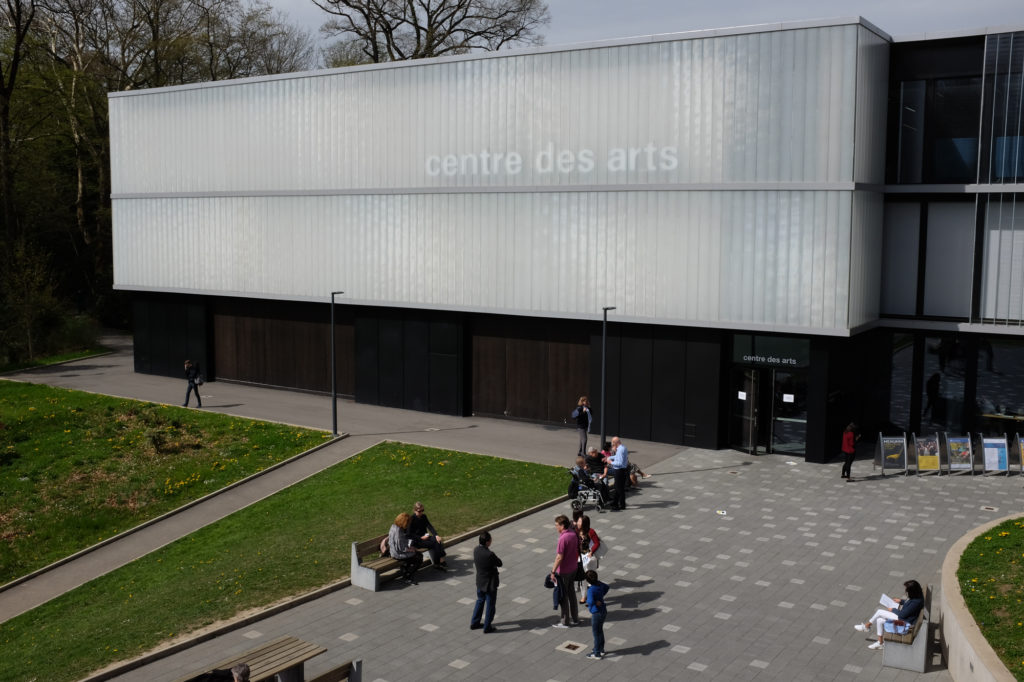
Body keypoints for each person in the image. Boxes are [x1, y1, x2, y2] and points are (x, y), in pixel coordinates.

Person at [854, 579, 925, 650]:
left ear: (912, 591)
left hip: (904, 623)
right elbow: (909, 605)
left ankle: (866, 627)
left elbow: (902, 615)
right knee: (879, 620)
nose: (906, 591)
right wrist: (901, 601)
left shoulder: (916, 602)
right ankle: (880, 643)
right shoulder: (917, 596)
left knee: (879, 612)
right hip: (905, 619)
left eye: (907, 590)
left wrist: (893, 610)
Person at [550, 514, 580, 627]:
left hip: (564, 571)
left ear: (562, 526)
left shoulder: (563, 538)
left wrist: (553, 571)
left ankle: (565, 621)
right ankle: (575, 618)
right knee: (572, 594)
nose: (556, 527)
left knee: (563, 596)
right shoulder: (573, 534)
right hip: (573, 568)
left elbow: (559, 557)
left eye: (556, 525)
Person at [470, 530, 502, 633]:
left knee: (480, 601)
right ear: (487, 542)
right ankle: (487, 626)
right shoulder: (489, 554)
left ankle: (475, 622)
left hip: (480, 582)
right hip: (490, 584)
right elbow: (499, 563)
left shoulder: (476, 550)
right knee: (490, 605)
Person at [409, 501, 447, 571]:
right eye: (419, 511)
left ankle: (438, 562)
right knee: (436, 543)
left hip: (426, 537)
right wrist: (420, 537)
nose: (421, 512)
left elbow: (429, 526)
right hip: (418, 540)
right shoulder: (411, 519)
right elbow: (409, 534)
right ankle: (440, 561)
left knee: (438, 540)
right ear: (414, 511)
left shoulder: (424, 516)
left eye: (422, 510)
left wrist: (436, 535)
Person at [388, 512, 424, 585]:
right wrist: (412, 549)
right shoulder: (398, 533)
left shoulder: (394, 526)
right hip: (397, 554)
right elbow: (401, 548)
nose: (408, 525)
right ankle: (408, 575)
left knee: (413, 556)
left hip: (393, 551)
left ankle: (405, 569)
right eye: (408, 523)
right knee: (419, 557)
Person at [584, 570, 609, 659]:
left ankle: (596, 653)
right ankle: (601, 649)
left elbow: (590, 601)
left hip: (596, 613)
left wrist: (592, 602)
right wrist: (601, 596)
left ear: (587, 580)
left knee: (596, 633)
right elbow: (607, 587)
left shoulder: (591, 590)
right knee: (600, 631)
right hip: (603, 611)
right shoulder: (600, 584)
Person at [575, 515, 601, 603]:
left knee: (590, 578)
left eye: (579, 521)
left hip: (590, 558)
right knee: (583, 578)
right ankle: (584, 596)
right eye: (578, 521)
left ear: (584, 523)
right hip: (581, 558)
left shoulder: (591, 531)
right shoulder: (577, 531)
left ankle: (592, 598)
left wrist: (591, 552)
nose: (577, 523)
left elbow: (597, 543)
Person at [606, 436, 629, 511]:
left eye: (613, 442)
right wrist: (610, 457)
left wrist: (610, 462)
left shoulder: (620, 450)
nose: (612, 444)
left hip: (619, 470)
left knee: (620, 489)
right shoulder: (622, 448)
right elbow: (618, 457)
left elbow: (619, 462)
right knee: (617, 486)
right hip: (621, 470)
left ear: (615, 443)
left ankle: (622, 505)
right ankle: (615, 502)